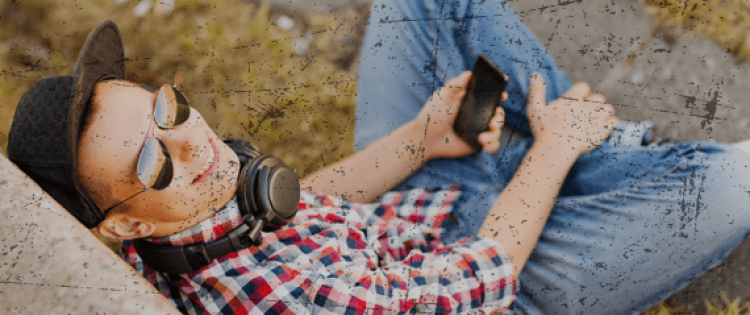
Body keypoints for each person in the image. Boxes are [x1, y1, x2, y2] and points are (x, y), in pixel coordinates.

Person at [5, 3, 750, 315]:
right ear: (123, 224)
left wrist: (421, 139)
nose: (194, 142)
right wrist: (551, 152)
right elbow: (481, 274)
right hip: (496, 272)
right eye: (151, 161)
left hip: (412, 204)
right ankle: (579, 148)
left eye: (168, 108)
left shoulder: (184, 212)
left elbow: (302, 206)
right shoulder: (278, 303)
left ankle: (586, 146)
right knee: (730, 184)